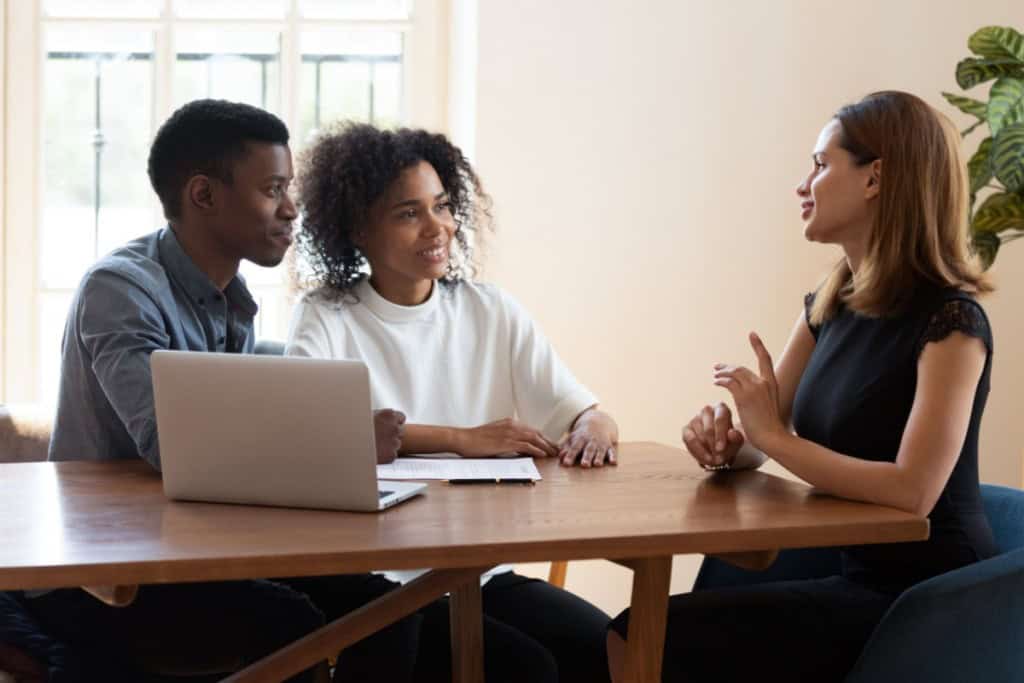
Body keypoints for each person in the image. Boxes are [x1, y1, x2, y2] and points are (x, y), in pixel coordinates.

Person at [608, 90, 998, 681]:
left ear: (875, 179)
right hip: (852, 572)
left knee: (653, 636)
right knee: (644, 627)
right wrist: (729, 445)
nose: (802, 184)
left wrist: (772, 435)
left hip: (928, 601)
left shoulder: (952, 323)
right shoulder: (830, 302)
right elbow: (765, 433)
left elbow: (913, 491)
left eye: (820, 164)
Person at [27, 99, 419, 683]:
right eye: (273, 190)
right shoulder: (120, 290)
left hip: (194, 545)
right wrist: (334, 442)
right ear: (204, 195)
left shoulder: (230, 297)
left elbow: (227, 439)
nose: (292, 210)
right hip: (107, 570)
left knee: (394, 611)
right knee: (295, 623)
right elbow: (177, 450)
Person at [287, 123, 617, 683]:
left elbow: (580, 407)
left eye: (441, 206)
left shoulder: (491, 312)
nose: (437, 226)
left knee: (603, 647)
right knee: (528, 669)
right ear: (359, 229)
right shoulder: (328, 314)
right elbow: (307, 427)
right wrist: (462, 440)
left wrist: (596, 425)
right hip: (384, 584)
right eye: (408, 213)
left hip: (484, 571)